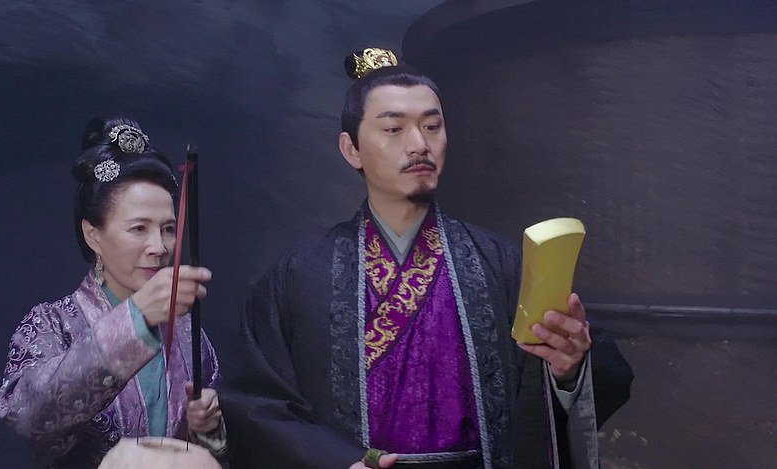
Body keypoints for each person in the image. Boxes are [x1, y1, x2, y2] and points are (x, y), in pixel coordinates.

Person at [221, 49, 633, 469]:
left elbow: (576, 383)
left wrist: (570, 370)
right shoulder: (301, 273)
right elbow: (256, 402)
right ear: (351, 149)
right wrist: (336, 462)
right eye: (394, 129)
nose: (419, 144)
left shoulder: (500, 264)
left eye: (432, 127)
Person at [0, 116, 227, 468]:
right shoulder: (53, 324)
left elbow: (212, 455)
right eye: (138, 228)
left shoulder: (188, 333)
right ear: (93, 235)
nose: (159, 246)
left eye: (168, 229)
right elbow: (27, 419)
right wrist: (134, 319)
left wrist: (208, 429)